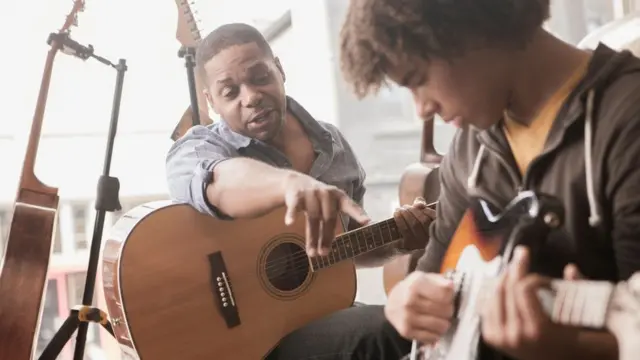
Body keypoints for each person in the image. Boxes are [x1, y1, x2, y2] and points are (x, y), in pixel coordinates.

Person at [339, 0, 640, 360]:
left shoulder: (628, 121)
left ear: (468, 28)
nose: (421, 109)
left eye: (418, 80)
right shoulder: (469, 148)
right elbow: (434, 274)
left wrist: (575, 350)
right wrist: (407, 300)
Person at [166, 23, 429, 359]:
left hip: (312, 317)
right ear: (211, 101)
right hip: (240, 341)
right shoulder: (199, 148)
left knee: (416, 324)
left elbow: (344, 245)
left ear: (279, 68)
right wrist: (289, 183)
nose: (251, 97)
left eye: (260, 77)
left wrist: (399, 241)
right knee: (389, 329)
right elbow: (217, 183)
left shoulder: (333, 146)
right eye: (230, 92)